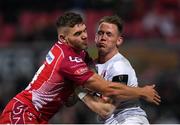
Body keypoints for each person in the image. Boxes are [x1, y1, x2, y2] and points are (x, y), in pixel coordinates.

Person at [0, 12, 160, 124]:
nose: (84, 36)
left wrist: (78, 89)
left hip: (37, 117)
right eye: (77, 34)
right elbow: (107, 91)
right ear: (63, 38)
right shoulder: (67, 60)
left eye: (84, 30)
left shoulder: (82, 54)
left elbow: (71, 100)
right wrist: (141, 92)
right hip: (23, 112)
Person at [76, 15, 159, 124]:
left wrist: (79, 91)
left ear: (119, 41)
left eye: (109, 34)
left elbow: (106, 109)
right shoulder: (92, 65)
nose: (103, 37)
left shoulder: (119, 66)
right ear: (95, 37)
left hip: (129, 119)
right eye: (100, 33)